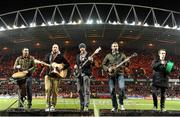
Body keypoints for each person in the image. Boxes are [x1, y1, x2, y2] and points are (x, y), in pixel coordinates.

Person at [102, 42, 127, 112]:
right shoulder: (108, 56)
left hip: (120, 74)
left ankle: (121, 104)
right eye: (114, 46)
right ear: (111, 47)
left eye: (116, 46)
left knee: (122, 88)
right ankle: (115, 106)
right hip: (111, 75)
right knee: (112, 90)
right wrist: (107, 69)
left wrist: (127, 62)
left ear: (118, 47)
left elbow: (126, 64)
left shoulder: (122, 55)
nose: (115, 47)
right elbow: (103, 64)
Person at [44, 44, 70, 111]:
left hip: (56, 76)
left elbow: (68, 64)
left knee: (55, 91)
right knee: (47, 90)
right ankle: (47, 105)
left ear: (58, 49)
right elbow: (45, 63)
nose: (54, 48)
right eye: (53, 47)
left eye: (56, 47)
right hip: (48, 75)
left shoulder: (61, 56)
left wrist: (62, 67)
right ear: (52, 48)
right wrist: (42, 63)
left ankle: (53, 105)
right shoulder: (48, 55)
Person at [74, 43, 94, 111]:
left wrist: (91, 60)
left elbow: (93, 64)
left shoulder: (89, 55)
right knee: (79, 90)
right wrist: (75, 66)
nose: (81, 48)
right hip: (79, 75)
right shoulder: (77, 56)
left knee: (86, 90)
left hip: (86, 75)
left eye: (83, 47)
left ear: (85, 48)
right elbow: (77, 64)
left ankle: (86, 106)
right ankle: (82, 105)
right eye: (80, 47)